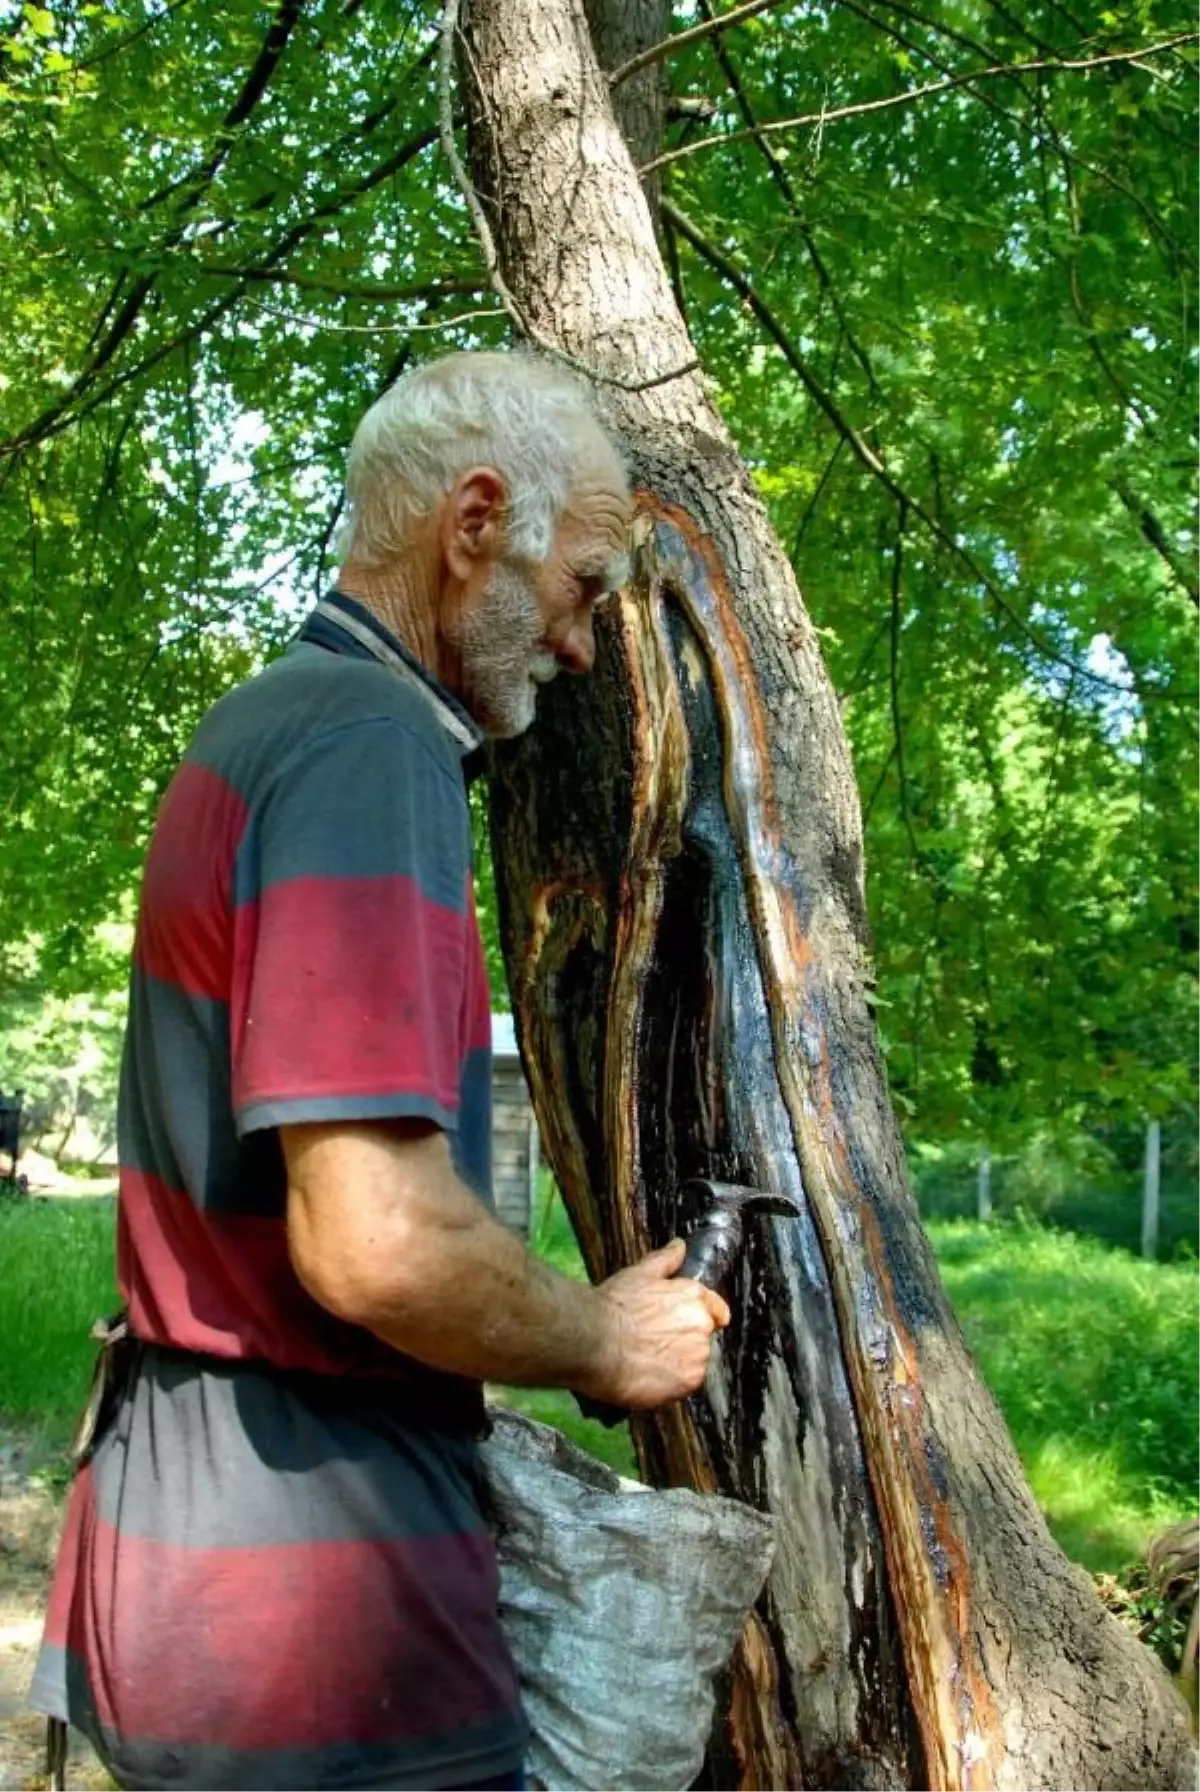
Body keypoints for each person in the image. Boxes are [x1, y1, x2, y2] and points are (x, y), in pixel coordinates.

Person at [30, 350, 729, 1792]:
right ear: (477, 522)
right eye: (585, 588)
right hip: (318, 1621)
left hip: (202, 1566)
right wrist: (604, 1344)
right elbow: (378, 1246)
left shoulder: (273, 723)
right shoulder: (368, 747)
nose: (585, 647)